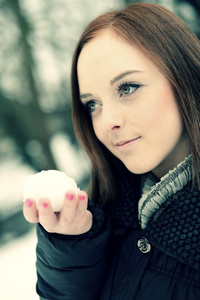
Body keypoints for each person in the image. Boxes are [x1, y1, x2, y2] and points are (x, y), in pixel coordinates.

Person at [23, 3, 200, 300]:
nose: (107, 123)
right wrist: (73, 249)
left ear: (183, 76)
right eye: (92, 104)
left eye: (127, 88)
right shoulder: (105, 217)